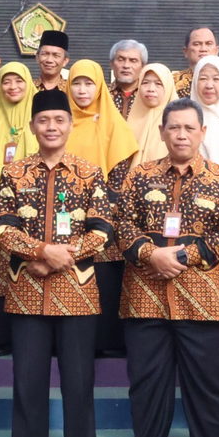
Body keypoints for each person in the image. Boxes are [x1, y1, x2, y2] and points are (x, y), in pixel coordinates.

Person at [115, 97, 219, 437]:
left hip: (203, 302)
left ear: (202, 132)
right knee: (147, 385)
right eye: (174, 127)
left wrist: (182, 257)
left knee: (208, 388)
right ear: (162, 132)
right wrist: (149, 254)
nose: (182, 135)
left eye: (189, 128)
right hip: (145, 299)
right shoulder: (140, 177)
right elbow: (122, 223)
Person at [0, 89, 113, 437]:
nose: (51, 127)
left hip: (77, 295)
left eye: (59, 120)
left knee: (79, 386)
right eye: (43, 120)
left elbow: (102, 230)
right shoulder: (14, 174)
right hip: (27, 294)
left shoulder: (89, 173)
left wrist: (61, 257)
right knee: (28, 385)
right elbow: (3, 228)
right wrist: (41, 252)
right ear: (32, 126)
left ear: (69, 125)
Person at [65, 59, 139, 357]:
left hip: (104, 214)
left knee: (105, 279)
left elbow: (119, 175)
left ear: (99, 87)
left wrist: (95, 209)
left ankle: (106, 341)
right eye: (76, 83)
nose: (82, 90)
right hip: (63, 215)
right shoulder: (59, 123)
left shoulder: (113, 124)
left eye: (89, 83)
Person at [0, 62, 38, 356]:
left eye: (19, 81)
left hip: (37, 204)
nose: (13, 87)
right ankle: (2, 337)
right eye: (7, 81)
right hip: (1, 204)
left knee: (33, 265)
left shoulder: (41, 119)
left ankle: (34, 337)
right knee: (2, 272)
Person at [125, 63, 175, 167]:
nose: (151, 89)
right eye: (145, 83)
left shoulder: (177, 123)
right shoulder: (126, 121)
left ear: (168, 87)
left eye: (158, 84)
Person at [108, 39, 148, 118]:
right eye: (121, 60)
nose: (126, 65)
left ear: (143, 66)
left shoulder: (149, 94)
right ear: (111, 64)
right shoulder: (102, 94)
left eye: (133, 61)